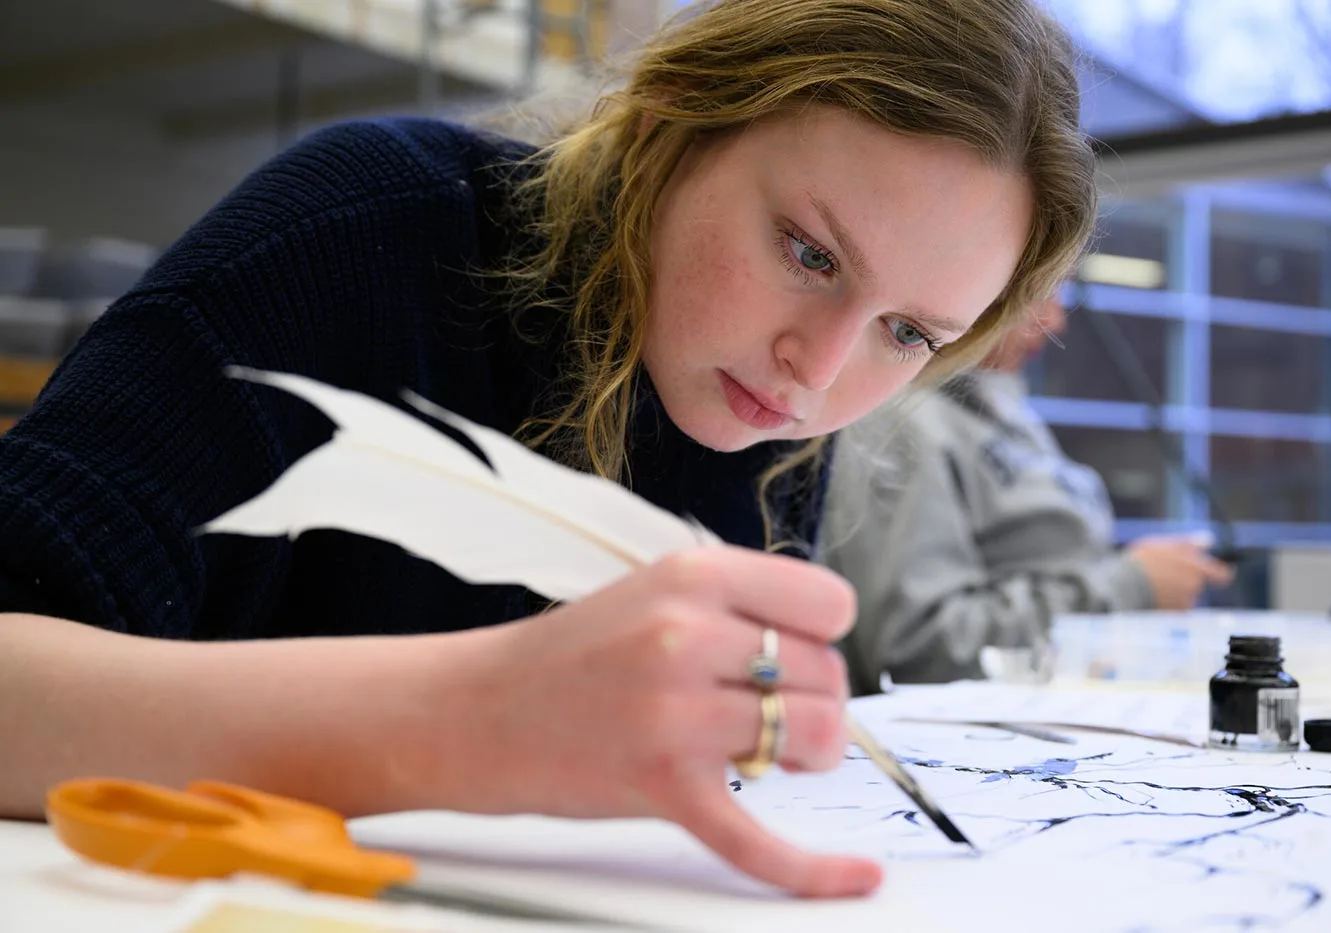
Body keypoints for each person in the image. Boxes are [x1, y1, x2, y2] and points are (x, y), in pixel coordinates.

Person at [0, 0, 1096, 899]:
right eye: (808, 253)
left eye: (907, 333)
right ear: (671, 119)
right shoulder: (362, 227)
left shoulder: (767, 422)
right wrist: (459, 719)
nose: (817, 370)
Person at [821, 291, 1235, 695]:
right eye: (1043, 293)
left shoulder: (992, 405)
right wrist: (1130, 585)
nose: (1056, 321)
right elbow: (916, 651)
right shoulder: (900, 420)